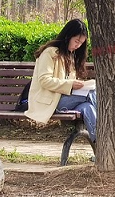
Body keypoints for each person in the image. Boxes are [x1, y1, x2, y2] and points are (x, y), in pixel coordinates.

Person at [25, 18, 97, 149]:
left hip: (65, 99)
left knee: (88, 108)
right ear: (68, 36)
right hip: (51, 101)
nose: (78, 45)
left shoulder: (70, 56)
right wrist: (70, 84)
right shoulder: (50, 53)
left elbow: (67, 82)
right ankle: (112, 137)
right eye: (76, 41)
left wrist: (78, 85)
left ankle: (101, 147)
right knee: (93, 94)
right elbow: (44, 80)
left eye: (81, 43)